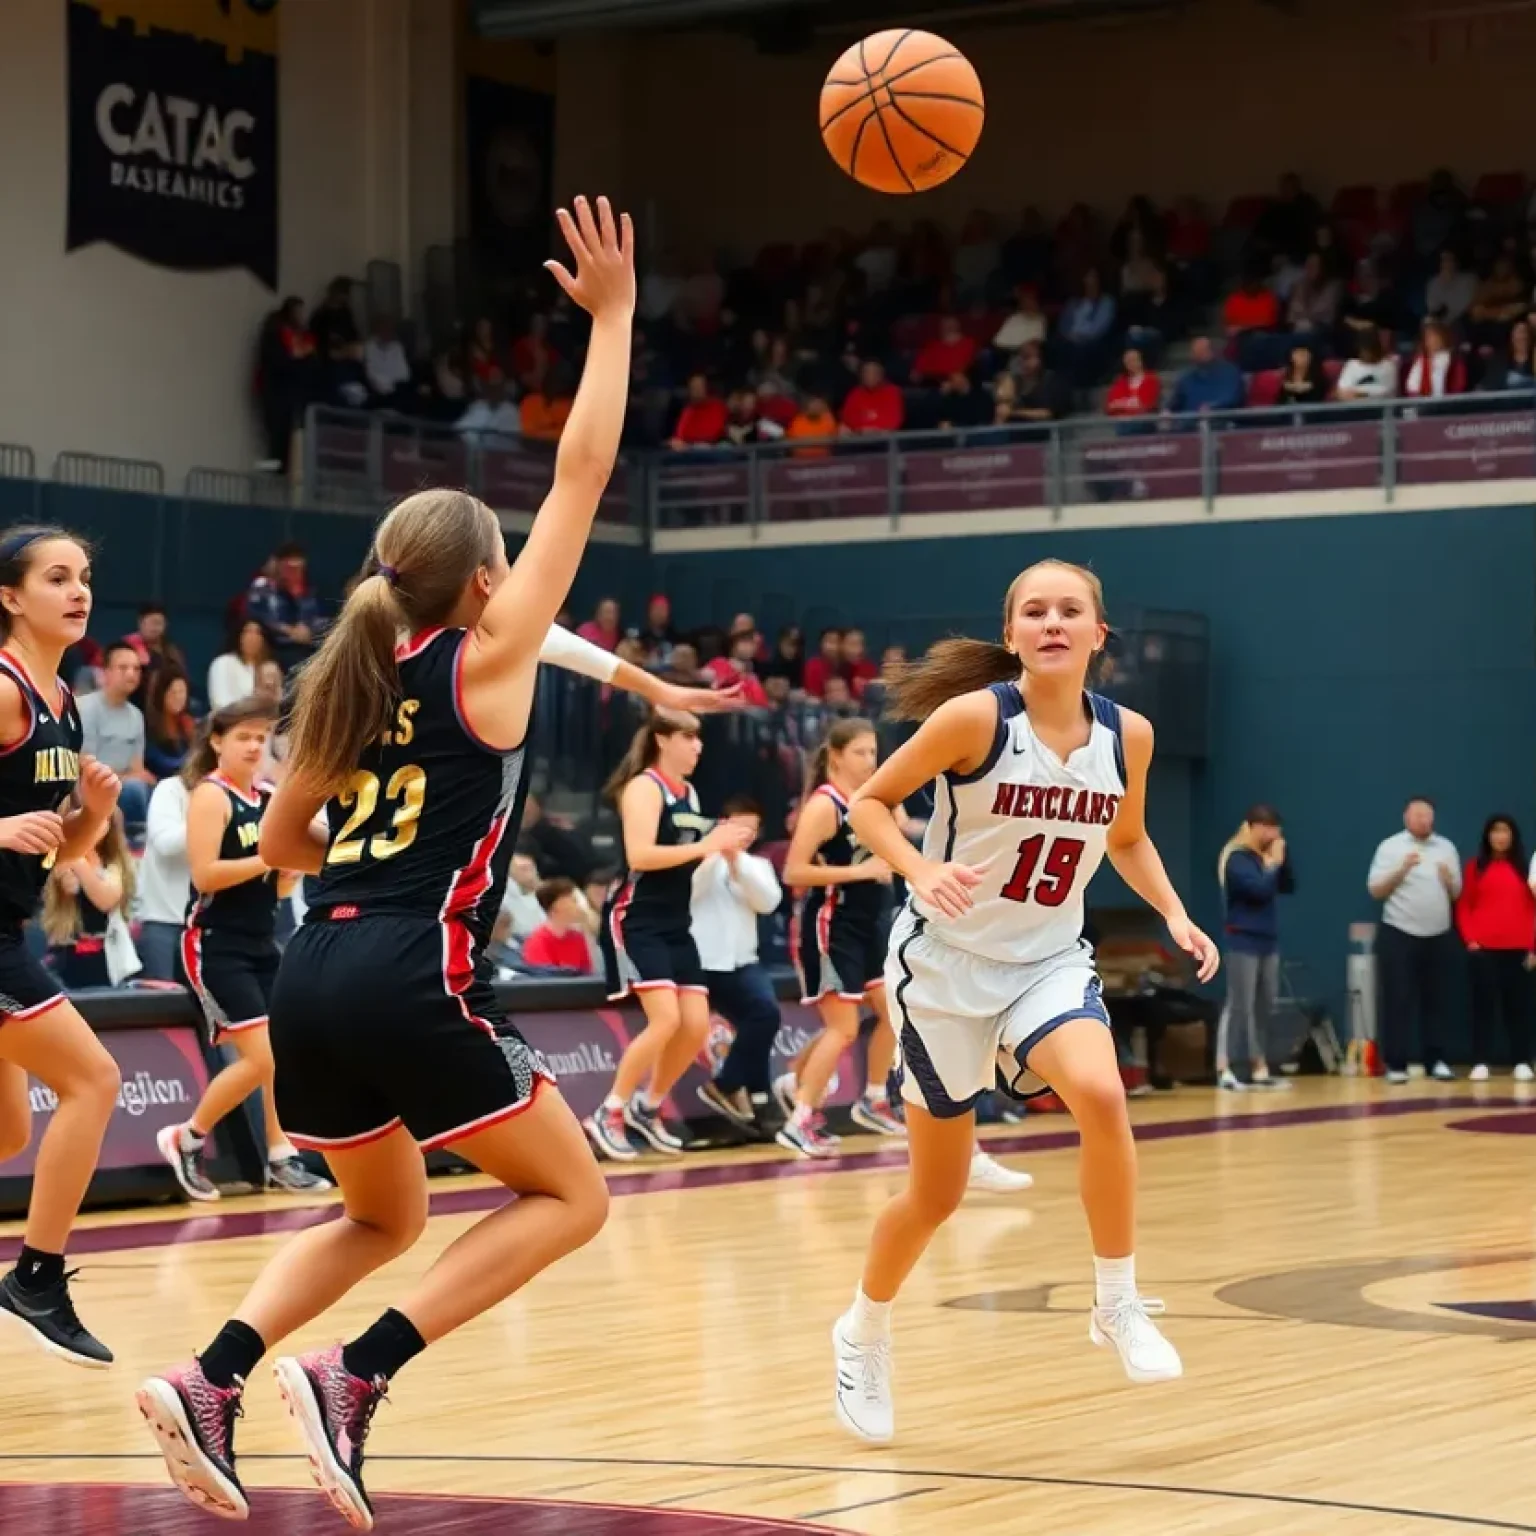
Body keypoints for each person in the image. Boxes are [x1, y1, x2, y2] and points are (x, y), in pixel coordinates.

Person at [135, 193, 637, 1526]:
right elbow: (579, 476)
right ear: (483, 584)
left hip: (313, 969)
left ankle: (214, 1374)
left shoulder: (344, 684)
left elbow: (289, 838)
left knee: (384, 1212)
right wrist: (616, 321)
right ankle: (357, 1374)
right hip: (415, 963)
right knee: (573, 1195)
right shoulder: (489, 659)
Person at [830, 559, 1218, 1442]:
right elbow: (870, 804)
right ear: (1011, 636)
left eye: (1069, 610)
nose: (1051, 622)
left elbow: (1127, 836)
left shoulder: (1132, 737)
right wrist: (922, 869)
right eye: (1033, 612)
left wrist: (1174, 911)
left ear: (1097, 633)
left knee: (1104, 1094)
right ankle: (863, 1330)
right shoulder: (975, 718)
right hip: (945, 973)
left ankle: (1116, 1302)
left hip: (1046, 961)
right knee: (933, 1198)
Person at [0, 526, 123, 1366]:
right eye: (56, 577)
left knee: (8, 1133)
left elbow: (58, 852)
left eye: (83, 576)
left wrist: (95, 818)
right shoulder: (3, 689)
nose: (77, 591)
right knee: (95, 1080)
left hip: (9, 921)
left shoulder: (64, 703)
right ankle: (36, 1277)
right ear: (10, 597)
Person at [156, 700, 329, 1202]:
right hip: (213, 942)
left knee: (282, 1054)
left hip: (260, 940)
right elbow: (206, 875)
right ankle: (186, 1138)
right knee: (262, 1057)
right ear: (217, 742)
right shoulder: (211, 796)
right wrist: (269, 857)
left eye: (261, 737)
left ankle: (280, 1158)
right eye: (243, 738)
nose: (254, 746)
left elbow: (271, 888)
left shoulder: (270, 796)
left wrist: (287, 873)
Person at [585, 710, 754, 1159]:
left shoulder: (691, 793)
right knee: (665, 1020)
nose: (698, 747)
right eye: (688, 737)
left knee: (695, 1024)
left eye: (699, 739)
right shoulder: (644, 786)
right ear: (662, 739)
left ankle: (648, 1105)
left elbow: (684, 858)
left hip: (676, 921)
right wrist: (706, 845)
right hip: (636, 916)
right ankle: (609, 1111)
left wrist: (723, 847)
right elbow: (640, 854)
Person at [776, 719, 908, 1156]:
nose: (871, 761)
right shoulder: (824, 805)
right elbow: (793, 872)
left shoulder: (872, 799)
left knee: (893, 1012)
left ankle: (871, 1099)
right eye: (860, 753)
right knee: (844, 1028)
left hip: (870, 925)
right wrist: (859, 871)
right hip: (831, 926)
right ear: (836, 756)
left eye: (874, 752)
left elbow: (904, 829)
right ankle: (800, 1119)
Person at [691, 795, 784, 1127]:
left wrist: (737, 863)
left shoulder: (756, 865)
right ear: (722, 824)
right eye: (739, 826)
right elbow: (692, 892)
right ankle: (762, 1100)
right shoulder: (698, 858)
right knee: (756, 1020)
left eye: (752, 829)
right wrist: (714, 853)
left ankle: (728, 1084)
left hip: (743, 960)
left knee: (765, 1015)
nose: (745, 834)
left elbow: (768, 902)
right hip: (702, 960)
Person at [1367, 797, 1462, 1084]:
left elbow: (1456, 893)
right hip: (1400, 932)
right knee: (1398, 999)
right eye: (1418, 815)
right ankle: (1396, 1063)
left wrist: (1448, 880)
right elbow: (1375, 890)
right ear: (1406, 817)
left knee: (1438, 1001)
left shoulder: (1446, 848)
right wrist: (1401, 869)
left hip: (1439, 935)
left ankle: (1437, 1060)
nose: (1423, 820)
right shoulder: (1390, 847)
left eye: (1428, 816)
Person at [1215, 805, 1295, 1090]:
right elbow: (1258, 891)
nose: (1273, 834)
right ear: (1253, 827)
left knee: (1265, 1003)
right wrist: (1272, 865)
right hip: (1242, 939)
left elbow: (1288, 885)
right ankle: (1226, 1066)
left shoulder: (1267, 858)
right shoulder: (1237, 858)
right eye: (1268, 827)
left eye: (1276, 828)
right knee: (1240, 1003)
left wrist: (1281, 862)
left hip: (1267, 939)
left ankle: (1258, 1064)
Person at [1456, 815, 1535, 1082]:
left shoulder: (1526, 869)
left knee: (1520, 1008)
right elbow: (1464, 906)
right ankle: (1480, 1061)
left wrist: (1533, 948)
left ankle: (1522, 1060)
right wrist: (1471, 940)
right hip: (1485, 950)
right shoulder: (1474, 868)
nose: (1500, 837)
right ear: (1487, 836)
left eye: (1505, 831)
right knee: (1483, 1008)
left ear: (1513, 836)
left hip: (1520, 950)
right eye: (1495, 831)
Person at [42, 811, 134, 991]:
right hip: (65, 954)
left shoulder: (114, 865)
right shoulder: (58, 859)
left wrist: (79, 860)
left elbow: (106, 900)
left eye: (99, 822)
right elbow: (66, 885)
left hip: (105, 956)